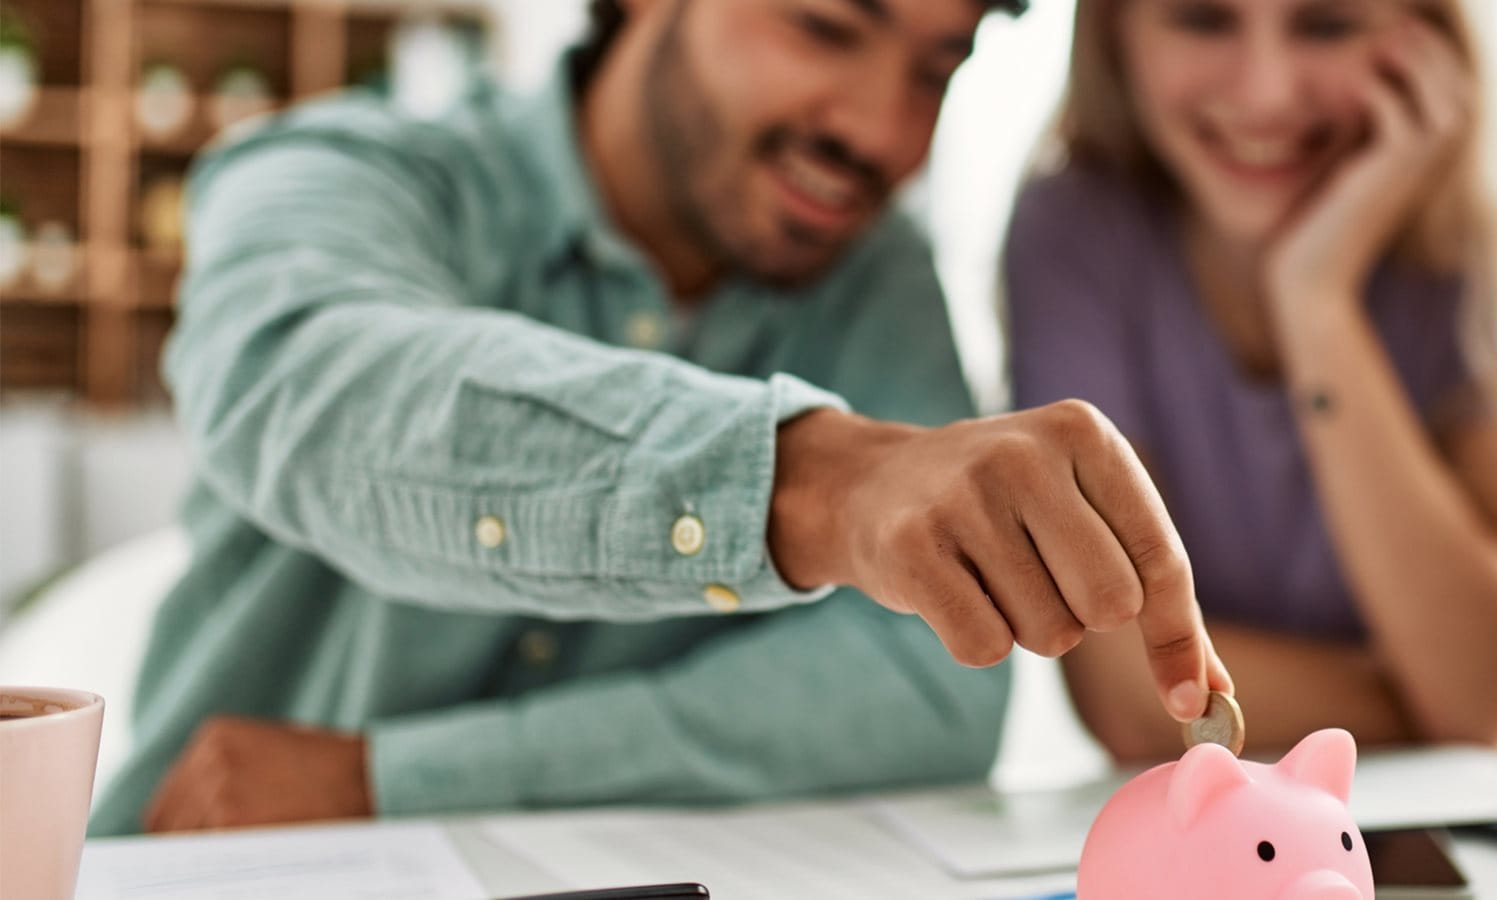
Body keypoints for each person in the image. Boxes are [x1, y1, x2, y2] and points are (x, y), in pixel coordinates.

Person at [90, 0, 1233, 836]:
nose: (885, 134)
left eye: (938, 70)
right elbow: (315, 392)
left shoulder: (872, 272)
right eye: (826, 27)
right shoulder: (343, 173)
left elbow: (929, 689)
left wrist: (390, 779)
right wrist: (821, 484)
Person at [1005, 0, 1497, 761]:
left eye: (1328, 25)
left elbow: (1480, 692)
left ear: (1429, 39)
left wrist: (1316, 298)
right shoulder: (1075, 228)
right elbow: (1132, 702)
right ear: (1116, 28)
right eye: (1202, 20)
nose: (1266, 92)